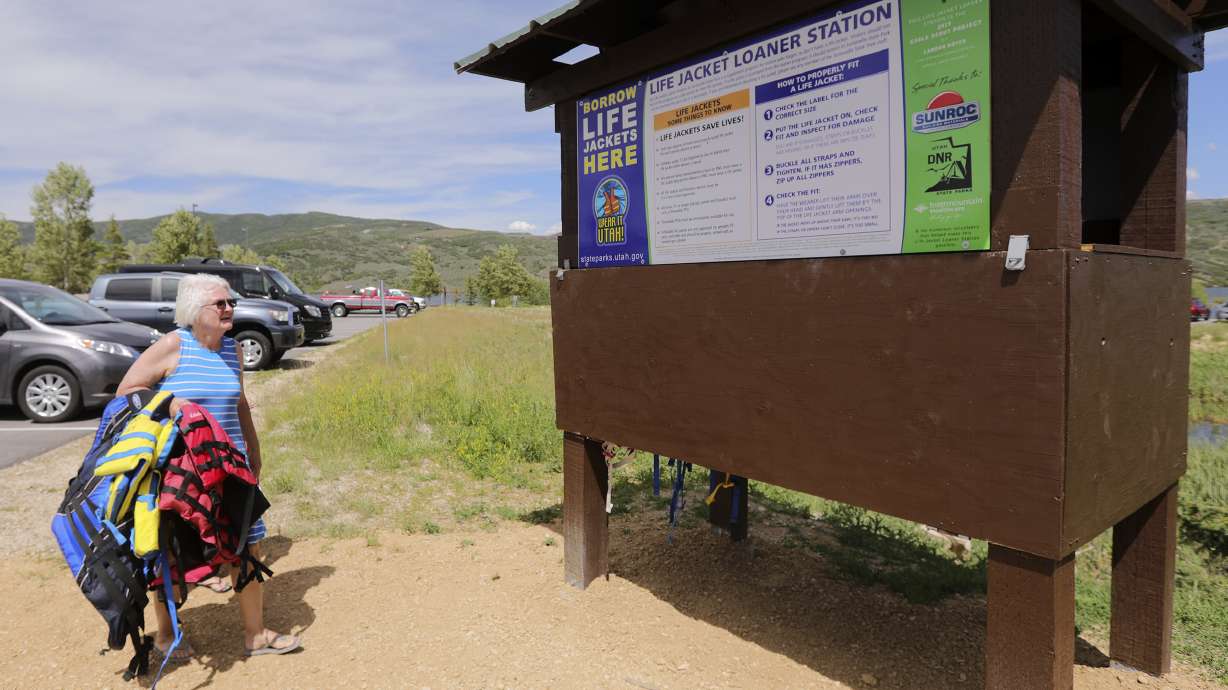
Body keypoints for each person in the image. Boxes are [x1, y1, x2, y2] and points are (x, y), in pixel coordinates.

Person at [117, 273, 301, 661]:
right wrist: (169, 404)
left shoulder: (232, 349)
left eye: (230, 302)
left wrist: (254, 449)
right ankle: (166, 636)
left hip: (231, 470)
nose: (229, 308)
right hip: (181, 473)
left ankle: (256, 635)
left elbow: (239, 402)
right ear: (194, 309)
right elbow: (127, 391)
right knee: (169, 552)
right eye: (221, 303)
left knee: (246, 548)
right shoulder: (173, 346)